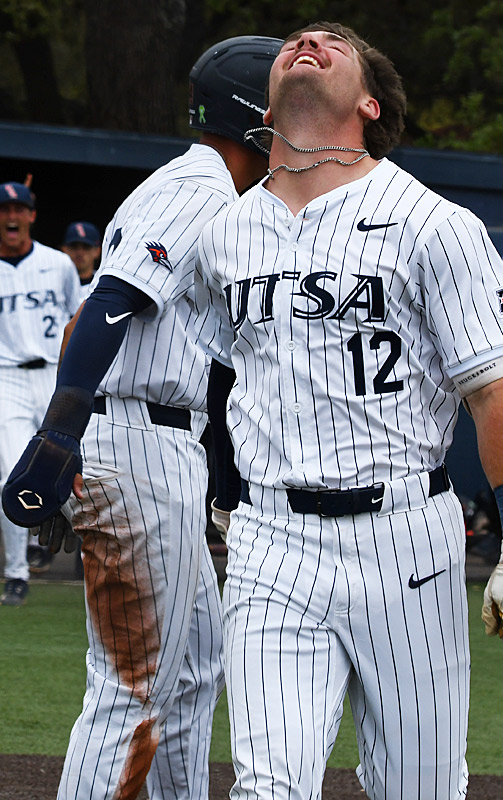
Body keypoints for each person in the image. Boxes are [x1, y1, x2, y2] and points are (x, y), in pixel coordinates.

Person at [195, 22, 503, 800]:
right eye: (296, 39)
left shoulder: (435, 224)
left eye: (335, 43)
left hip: (405, 540)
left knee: (418, 787)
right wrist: (224, 493)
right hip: (271, 543)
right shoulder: (224, 232)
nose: (308, 41)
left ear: (368, 102)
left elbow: (496, 390)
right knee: (267, 788)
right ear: (266, 97)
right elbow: (226, 373)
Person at [2, 35, 283, 800]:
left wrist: (221, 476)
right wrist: (60, 434)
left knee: (192, 669)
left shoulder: (221, 198)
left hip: (161, 443)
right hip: (132, 438)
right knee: (133, 681)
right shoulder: (195, 190)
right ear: (256, 118)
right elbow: (107, 305)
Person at [0, 180, 81, 605]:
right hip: (7, 377)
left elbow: (75, 321)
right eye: (4, 208)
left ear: (32, 214)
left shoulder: (58, 264)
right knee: (11, 473)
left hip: (53, 373)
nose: (11, 216)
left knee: (69, 465)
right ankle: (17, 573)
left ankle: (90, 557)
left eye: (19, 208)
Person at [61, 221, 101, 288]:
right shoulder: (53, 282)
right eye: (74, 246)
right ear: (64, 249)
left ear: (97, 251)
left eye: (86, 247)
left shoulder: (104, 283)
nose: (80, 252)